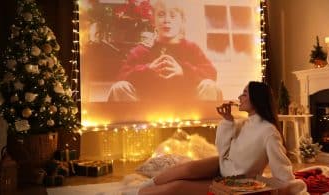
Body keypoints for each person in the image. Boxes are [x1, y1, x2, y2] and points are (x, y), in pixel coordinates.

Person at [125, 81, 308, 195]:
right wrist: (228, 121)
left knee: (177, 188)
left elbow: (281, 167)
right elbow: (222, 149)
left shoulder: (269, 132)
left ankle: (140, 193)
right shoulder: (244, 123)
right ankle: (145, 186)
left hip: (237, 181)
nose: (239, 97)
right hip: (223, 166)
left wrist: (292, 188)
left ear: (256, 99)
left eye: (244, 93)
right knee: (186, 168)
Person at [107, 0, 222, 102]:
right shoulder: (142, 50)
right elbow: (121, 77)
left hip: (187, 108)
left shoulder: (191, 48)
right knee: (119, 87)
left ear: (182, 21)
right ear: (153, 20)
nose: (167, 20)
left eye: (173, 16)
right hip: (147, 109)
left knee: (209, 86)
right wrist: (148, 70)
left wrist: (184, 71)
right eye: (161, 15)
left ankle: (202, 126)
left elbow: (211, 73)